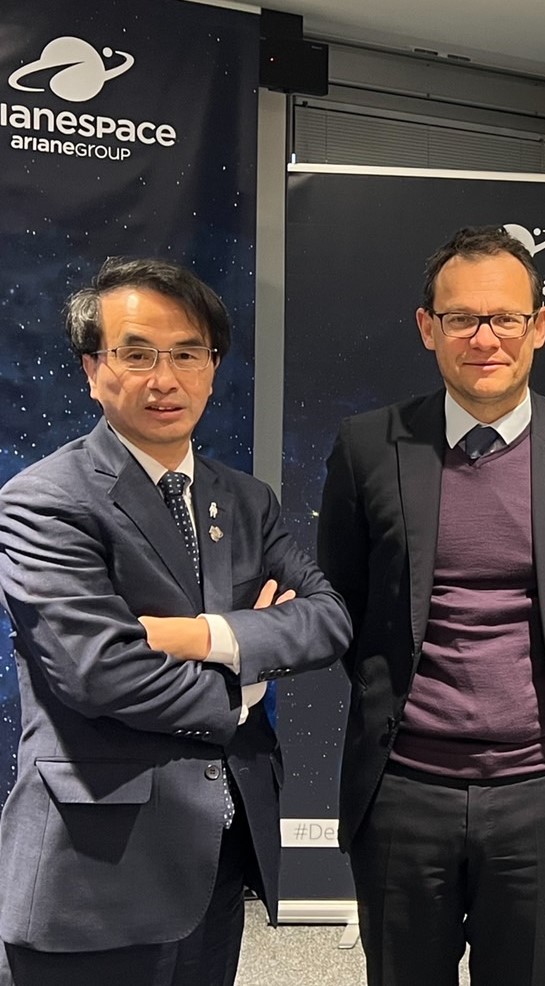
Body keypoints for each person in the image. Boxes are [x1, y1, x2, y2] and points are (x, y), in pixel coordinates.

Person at [0, 258, 351, 986]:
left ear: (213, 368)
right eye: (136, 355)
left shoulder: (245, 500)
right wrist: (247, 684)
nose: (165, 379)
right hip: (97, 864)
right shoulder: (45, 500)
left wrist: (205, 636)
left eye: (188, 354)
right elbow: (102, 672)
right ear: (93, 369)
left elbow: (328, 619)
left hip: (218, 853)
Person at [317, 225, 545, 986]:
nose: (484, 338)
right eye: (461, 318)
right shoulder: (368, 446)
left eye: (505, 318)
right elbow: (345, 602)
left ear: (540, 325)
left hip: (540, 792)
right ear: (428, 327)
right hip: (403, 790)